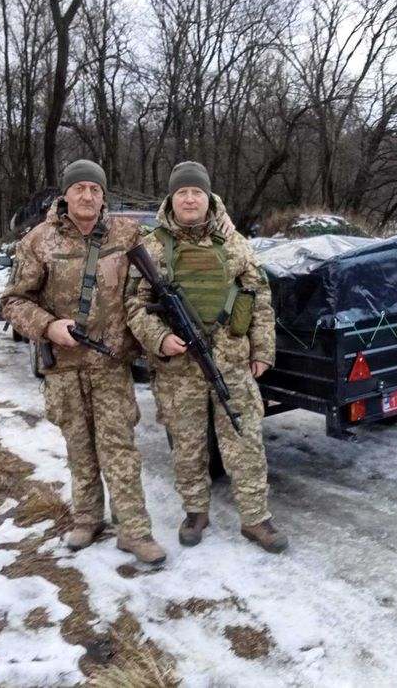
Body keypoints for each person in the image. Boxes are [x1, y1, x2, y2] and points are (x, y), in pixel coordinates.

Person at [1, 159, 165, 565]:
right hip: (64, 364)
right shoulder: (38, 241)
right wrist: (49, 326)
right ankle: (87, 519)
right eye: (80, 189)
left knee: (120, 448)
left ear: (103, 195)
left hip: (111, 365)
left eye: (95, 189)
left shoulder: (128, 235)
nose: (87, 196)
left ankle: (134, 530)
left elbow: (155, 282)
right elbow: (13, 302)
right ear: (66, 195)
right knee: (79, 447)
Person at [126, 161, 288, 553]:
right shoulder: (152, 246)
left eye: (196, 191)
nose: (189, 198)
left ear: (208, 196)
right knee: (187, 444)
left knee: (244, 438)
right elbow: (134, 305)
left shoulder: (233, 241)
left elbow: (260, 298)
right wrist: (159, 338)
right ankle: (195, 511)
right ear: (172, 197)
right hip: (178, 368)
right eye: (182, 192)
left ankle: (256, 518)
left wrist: (264, 349)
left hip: (231, 362)